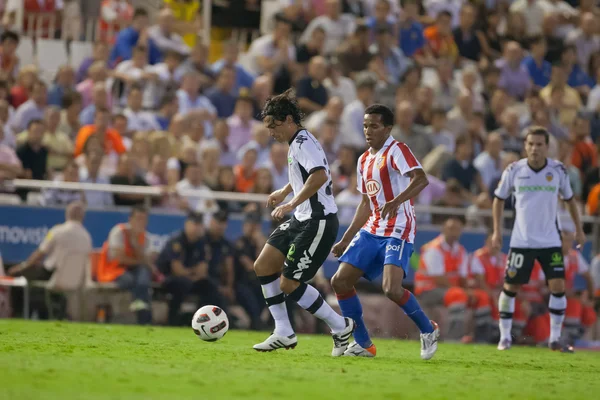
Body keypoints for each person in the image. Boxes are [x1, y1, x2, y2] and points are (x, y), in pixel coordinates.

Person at [330, 104, 439, 359]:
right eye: (366, 126)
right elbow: (366, 203)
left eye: (374, 126)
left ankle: (428, 329)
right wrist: (346, 239)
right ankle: (363, 343)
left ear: (387, 128)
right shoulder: (363, 159)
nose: (368, 130)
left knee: (391, 288)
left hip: (398, 227)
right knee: (340, 280)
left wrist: (396, 200)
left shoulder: (397, 150)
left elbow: (421, 179)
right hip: (373, 227)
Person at [252, 90, 354, 355]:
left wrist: (291, 203)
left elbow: (319, 176)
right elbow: (306, 172)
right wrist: (285, 191)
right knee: (263, 265)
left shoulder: (303, 142)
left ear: (287, 120)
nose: (271, 133)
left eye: (273, 126)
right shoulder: (297, 142)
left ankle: (340, 326)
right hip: (302, 218)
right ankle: (283, 331)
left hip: (317, 221)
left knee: (288, 283)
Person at [492, 126, 586, 352]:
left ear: (547, 147)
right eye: (530, 144)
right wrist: (496, 231)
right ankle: (504, 337)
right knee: (511, 287)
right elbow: (498, 199)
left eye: (539, 144)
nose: (534, 148)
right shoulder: (514, 170)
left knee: (558, 286)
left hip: (550, 240)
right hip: (521, 241)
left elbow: (570, 200)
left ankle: (554, 338)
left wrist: (579, 229)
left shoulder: (558, 170)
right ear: (525, 146)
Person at [157, 212, 227, 326]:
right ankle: (173, 321)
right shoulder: (177, 241)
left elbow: (203, 271)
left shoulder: (201, 243)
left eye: (199, 224)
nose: (196, 227)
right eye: (194, 224)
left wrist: (191, 273)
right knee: (182, 284)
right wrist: (193, 272)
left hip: (192, 280)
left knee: (210, 286)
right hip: (170, 279)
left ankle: (207, 320)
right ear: (187, 224)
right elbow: (177, 270)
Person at [97, 206, 155, 325]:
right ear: (130, 219)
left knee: (143, 277)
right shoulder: (119, 231)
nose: (141, 222)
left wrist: (136, 244)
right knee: (131, 280)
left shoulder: (146, 237)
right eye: (138, 218)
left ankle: (140, 307)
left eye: (144, 219)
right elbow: (119, 258)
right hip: (114, 269)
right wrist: (140, 260)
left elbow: (149, 260)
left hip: (135, 270)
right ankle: (144, 316)